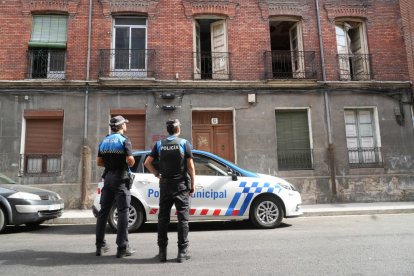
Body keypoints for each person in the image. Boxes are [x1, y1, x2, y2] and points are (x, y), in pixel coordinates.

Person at [144, 119, 195, 263]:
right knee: (183, 219)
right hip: (180, 186)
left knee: (163, 219)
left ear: (168, 130)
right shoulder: (184, 143)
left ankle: (162, 253)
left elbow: (147, 163)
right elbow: (190, 167)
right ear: (178, 129)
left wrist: (157, 174)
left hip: (165, 185)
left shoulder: (159, 144)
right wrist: (193, 184)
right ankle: (182, 253)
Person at [95, 115, 136, 258]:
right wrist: (128, 162)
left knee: (103, 212)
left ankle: (100, 245)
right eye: (125, 124)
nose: (126, 126)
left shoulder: (104, 141)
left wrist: (110, 164)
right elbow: (130, 161)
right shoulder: (124, 140)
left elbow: (99, 162)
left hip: (108, 178)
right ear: (121, 126)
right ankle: (122, 247)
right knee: (123, 211)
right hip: (120, 179)